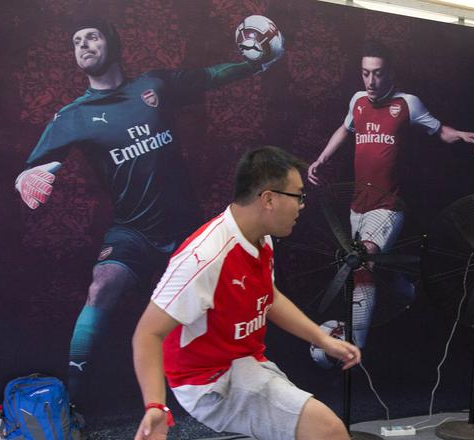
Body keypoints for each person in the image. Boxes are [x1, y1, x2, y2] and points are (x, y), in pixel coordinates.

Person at [131, 146, 443, 440]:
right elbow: (147, 333)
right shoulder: (206, 257)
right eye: (297, 196)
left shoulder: (259, 239)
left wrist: (321, 337)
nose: (302, 206)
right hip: (211, 381)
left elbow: (268, 297)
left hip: (241, 363)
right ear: (268, 198)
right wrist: (154, 405)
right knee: (330, 432)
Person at [16, 18, 281, 405]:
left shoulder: (152, 86)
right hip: (133, 231)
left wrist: (254, 64)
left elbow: (206, 76)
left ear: (113, 44)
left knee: (226, 298)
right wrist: (28, 178)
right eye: (76, 41)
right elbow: (34, 167)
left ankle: (236, 383)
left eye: (92, 37)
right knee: (101, 285)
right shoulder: (72, 116)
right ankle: (72, 400)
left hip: (188, 230)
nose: (84, 45)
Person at [307, 40, 474, 347]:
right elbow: (344, 129)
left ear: (390, 74)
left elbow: (438, 129)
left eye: (377, 74)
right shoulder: (358, 100)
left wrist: (460, 134)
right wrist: (322, 159)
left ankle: (354, 348)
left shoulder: (407, 104)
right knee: (370, 266)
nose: (371, 82)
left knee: (359, 263)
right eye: (365, 74)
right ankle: (403, 287)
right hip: (357, 205)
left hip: (389, 205)